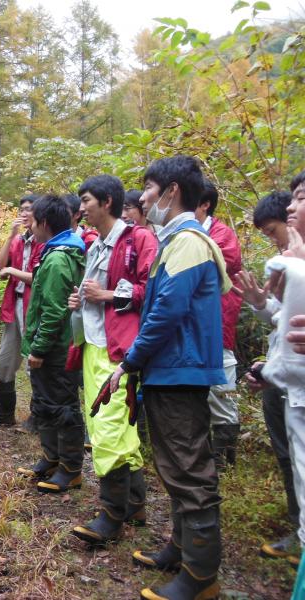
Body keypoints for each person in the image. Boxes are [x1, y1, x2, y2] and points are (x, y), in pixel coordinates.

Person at [110, 156, 230, 600]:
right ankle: (180, 549)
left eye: (148, 188)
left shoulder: (188, 242)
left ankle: (200, 576)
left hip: (179, 370)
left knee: (190, 471)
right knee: (174, 466)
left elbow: (165, 314)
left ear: (171, 190)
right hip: (168, 370)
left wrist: (131, 361)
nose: (142, 198)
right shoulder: (176, 240)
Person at [64, 175, 157, 545]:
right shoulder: (97, 244)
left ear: (105, 201)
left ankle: (111, 516)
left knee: (107, 428)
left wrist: (105, 294)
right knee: (116, 428)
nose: (81, 208)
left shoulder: (138, 239)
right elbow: (96, 293)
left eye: (85, 200)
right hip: (93, 345)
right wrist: (83, 299)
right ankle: (134, 505)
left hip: (119, 349)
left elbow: (152, 289)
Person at [237, 191, 299, 564]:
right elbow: (280, 321)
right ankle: (298, 527)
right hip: (281, 375)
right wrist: (260, 303)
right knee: (287, 453)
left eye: (273, 230)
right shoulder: (287, 264)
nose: (273, 240)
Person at [20, 194, 86, 493]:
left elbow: (55, 309)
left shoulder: (59, 258)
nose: (29, 226)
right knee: (44, 403)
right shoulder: (55, 250)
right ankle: (50, 457)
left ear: (44, 223)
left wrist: (39, 348)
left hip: (57, 350)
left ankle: (71, 469)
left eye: (32, 221)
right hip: (50, 347)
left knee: (63, 407)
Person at [0, 195, 41, 427]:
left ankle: (38, 417)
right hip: (13, 306)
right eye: (22, 209)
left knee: (34, 363)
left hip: (33, 308)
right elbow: (0, 266)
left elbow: (38, 278)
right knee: (5, 361)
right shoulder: (19, 240)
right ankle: (4, 413)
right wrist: (11, 235)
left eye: (29, 210)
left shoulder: (45, 241)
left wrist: (13, 272)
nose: (24, 214)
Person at [195, 179, 243, 469]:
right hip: (196, 326)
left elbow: (226, 263)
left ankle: (225, 453)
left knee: (222, 386)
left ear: (205, 204)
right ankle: (209, 450)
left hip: (218, 323)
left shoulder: (220, 233)